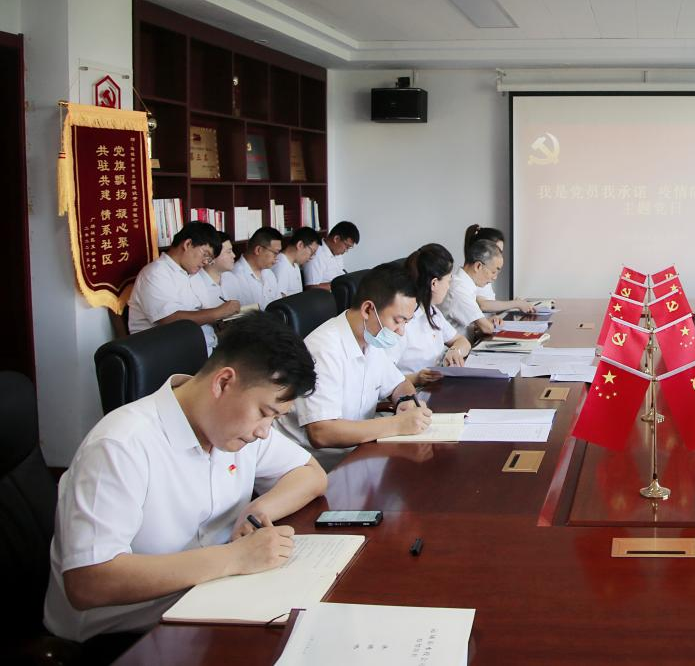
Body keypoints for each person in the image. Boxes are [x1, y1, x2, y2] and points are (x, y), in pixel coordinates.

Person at [44, 313, 328, 647]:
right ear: (223, 383)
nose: (265, 432)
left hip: (207, 599)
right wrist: (235, 557)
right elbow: (88, 582)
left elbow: (311, 474)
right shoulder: (121, 445)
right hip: (125, 636)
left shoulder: (233, 426)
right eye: (265, 414)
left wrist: (257, 510)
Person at [277, 263, 432, 467]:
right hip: (318, 467)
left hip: (360, 453)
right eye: (397, 321)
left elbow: (399, 384)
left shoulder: (371, 338)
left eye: (406, 322)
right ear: (368, 309)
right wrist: (397, 425)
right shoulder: (323, 349)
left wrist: (406, 401)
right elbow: (321, 433)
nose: (401, 331)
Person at [129, 221, 239, 353]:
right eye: (205, 255)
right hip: (165, 354)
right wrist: (218, 312)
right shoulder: (156, 273)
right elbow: (170, 320)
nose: (205, 262)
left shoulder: (192, 274)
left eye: (209, 259)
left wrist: (218, 320)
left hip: (202, 347)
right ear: (187, 244)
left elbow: (199, 312)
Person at [392, 243, 473, 374]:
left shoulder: (431, 311)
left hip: (437, 381)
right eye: (448, 281)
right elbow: (385, 378)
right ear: (434, 283)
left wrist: (454, 351)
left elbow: (462, 341)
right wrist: (417, 378)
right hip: (414, 386)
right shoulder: (402, 322)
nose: (448, 287)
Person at [464, 224, 537, 315]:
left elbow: (489, 309)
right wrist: (515, 303)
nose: (499, 256)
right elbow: (483, 305)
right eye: (496, 250)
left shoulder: (484, 278)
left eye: (500, 252)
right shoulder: (471, 280)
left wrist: (515, 304)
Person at [438, 238, 502, 336]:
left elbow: (466, 326)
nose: (495, 277)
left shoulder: (465, 285)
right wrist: (488, 324)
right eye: (493, 272)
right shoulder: (459, 288)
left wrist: (487, 321)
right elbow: (487, 328)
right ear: (478, 266)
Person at [230, 226, 283, 309]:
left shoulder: (268, 273)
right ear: (258, 250)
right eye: (275, 253)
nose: (277, 258)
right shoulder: (234, 276)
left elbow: (278, 304)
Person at [192, 230, 243, 310]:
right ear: (210, 257)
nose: (234, 255)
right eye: (229, 252)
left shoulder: (231, 277)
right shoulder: (193, 285)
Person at [302, 221, 359, 290]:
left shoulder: (337, 252)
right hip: (326, 295)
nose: (346, 250)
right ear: (336, 239)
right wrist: (340, 284)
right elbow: (311, 288)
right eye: (347, 246)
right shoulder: (316, 254)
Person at [272, 226, 320, 297]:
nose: (311, 257)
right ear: (300, 245)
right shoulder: (281, 266)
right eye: (312, 252)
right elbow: (280, 301)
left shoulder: (295, 265)